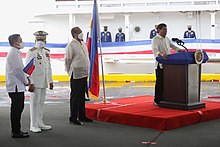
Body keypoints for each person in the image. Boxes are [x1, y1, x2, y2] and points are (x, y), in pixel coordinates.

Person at [26, 31, 53, 133]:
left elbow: (48, 67)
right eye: (39, 39)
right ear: (35, 40)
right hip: (35, 82)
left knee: (41, 103)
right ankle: (33, 125)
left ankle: (40, 122)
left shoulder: (46, 51)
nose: (41, 41)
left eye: (43, 39)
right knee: (34, 103)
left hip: (44, 82)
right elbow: (28, 68)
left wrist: (50, 81)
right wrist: (31, 82)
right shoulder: (31, 51)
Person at [64, 26, 93, 125]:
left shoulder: (83, 44)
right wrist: (69, 71)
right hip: (76, 74)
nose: (82, 34)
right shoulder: (71, 45)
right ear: (74, 34)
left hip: (84, 73)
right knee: (75, 96)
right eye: (79, 32)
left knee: (82, 96)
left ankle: (82, 115)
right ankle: (73, 117)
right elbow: (68, 60)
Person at [152, 23, 183, 106]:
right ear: (159, 30)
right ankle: (157, 100)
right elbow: (155, 50)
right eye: (164, 29)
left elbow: (173, 46)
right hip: (160, 64)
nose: (166, 31)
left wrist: (179, 50)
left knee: (168, 83)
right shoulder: (155, 39)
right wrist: (161, 54)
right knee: (160, 83)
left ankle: (166, 98)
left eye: (166, 29)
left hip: (169, 64)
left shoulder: (167, 39)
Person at [6, 34, 30, 138]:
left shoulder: (15, 52)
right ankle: (16, 131)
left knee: (18, 108)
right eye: (20, 40)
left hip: (16, 85)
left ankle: (17, 130)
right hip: (16, 86)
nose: (22, 42)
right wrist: (25, 81)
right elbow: (18, 70)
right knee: (16, 109)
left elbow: (19, 69)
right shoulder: (14, 53)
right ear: (15, 42)